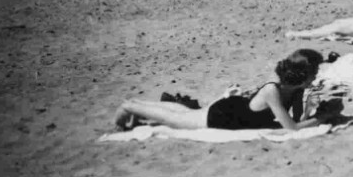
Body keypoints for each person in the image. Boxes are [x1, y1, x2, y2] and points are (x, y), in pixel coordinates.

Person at [112, 50, 325, 132]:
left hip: (234, 110)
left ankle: (135, 105)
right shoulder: (272, 90)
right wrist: (323, 118)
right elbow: (293, 129)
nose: (316, 76)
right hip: (222, 116)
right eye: (313, 72)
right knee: (175, 119)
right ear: (301, 74)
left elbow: (295, 120)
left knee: (184, 113)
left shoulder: (296, 90)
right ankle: (129, 106)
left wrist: (309, 111)